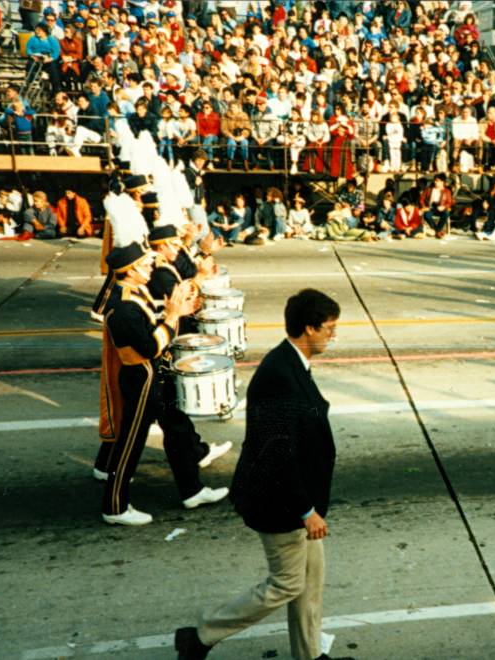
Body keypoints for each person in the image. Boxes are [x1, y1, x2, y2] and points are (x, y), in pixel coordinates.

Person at [174, 289, 346, 660]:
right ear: (308, 328)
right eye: (329, 329)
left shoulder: (292, 363)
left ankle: (310, 655)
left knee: (309, 583)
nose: (333, 335)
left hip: (301, 500)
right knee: (286, 584)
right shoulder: (280, 375)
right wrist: (306, 511)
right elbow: (276, 456)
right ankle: (202, 633)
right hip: (281, 503)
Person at [97, 242, 229, 526]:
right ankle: (115, 506)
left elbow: (152, 322)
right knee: (130, 444)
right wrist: (171, 317)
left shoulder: (133, 293)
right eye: (144, 266)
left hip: (151, 373)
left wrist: (176, 312)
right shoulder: (123, 306)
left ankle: (192, 491)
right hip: (141, 377)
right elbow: (148, 346)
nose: (149, 269)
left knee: (177, 426)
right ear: (130, 271)